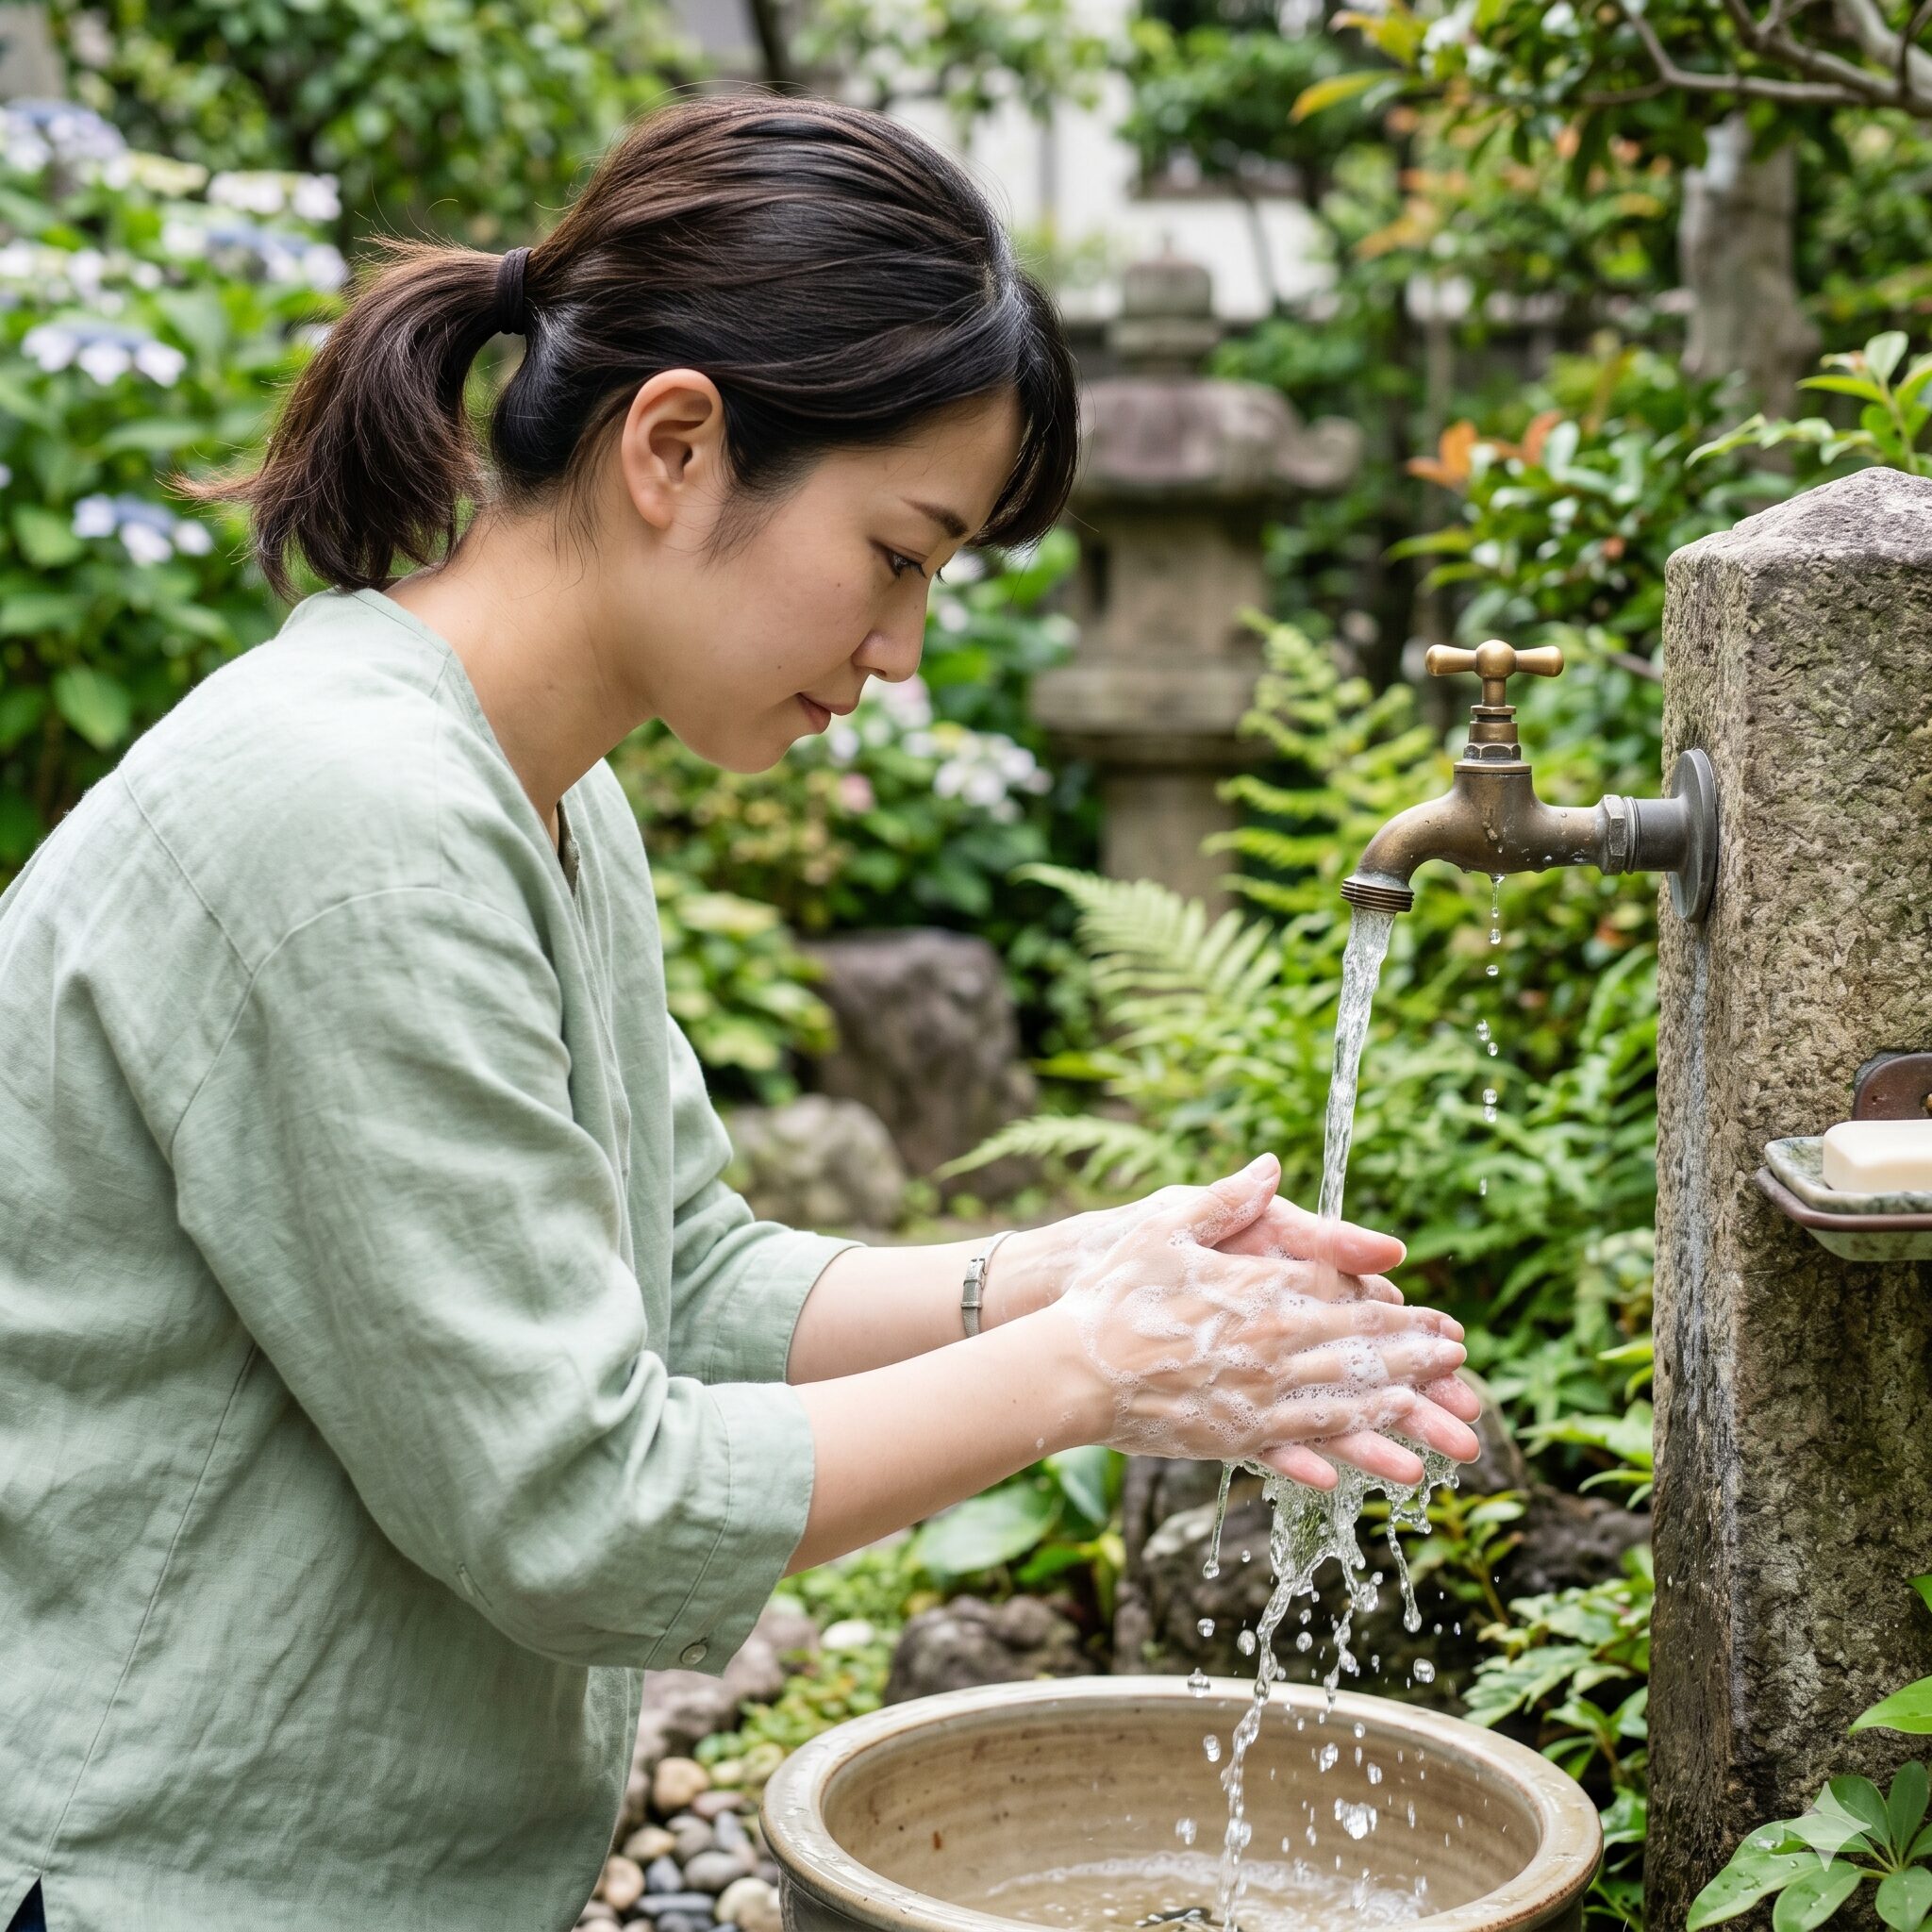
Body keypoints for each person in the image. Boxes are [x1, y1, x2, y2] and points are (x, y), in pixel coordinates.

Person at [0, 93, 1481, 1932]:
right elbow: (579, 1508)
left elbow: (682, 1275)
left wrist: (1078, 1265)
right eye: (898, 553)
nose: (904, 652)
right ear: (677, 444)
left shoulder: (535, 787)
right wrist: (1094, 1368)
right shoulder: (352, 824)